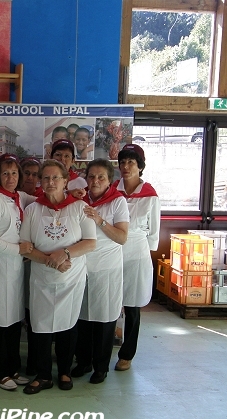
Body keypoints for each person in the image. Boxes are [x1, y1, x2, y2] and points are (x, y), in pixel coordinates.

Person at [19, 160, 96, 394]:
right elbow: (24, 246)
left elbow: (90, 242)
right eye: (46, 178)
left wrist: (64, 254)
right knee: (41, 325)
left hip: (71, 277)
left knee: (68, 324)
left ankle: (64, 371)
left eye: (56, 178)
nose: (50, 182)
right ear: (40, 182)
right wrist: (50, 261)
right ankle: (43, 375)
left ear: (65, 181)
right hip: (42, 275)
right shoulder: (33, 210)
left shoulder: (79, 207)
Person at [0, 153, 35, 391]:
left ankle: (13, 368)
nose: (10, 177)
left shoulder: (19, 197)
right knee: (0, 317)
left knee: (13, 317)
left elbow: (44, 200)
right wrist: (18, 249)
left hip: (14, 266)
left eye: (14, 173)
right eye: (5, 173)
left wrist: (71, 195)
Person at [72, 159, 129, 384]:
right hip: (82, 267)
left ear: (109, 181)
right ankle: (83, 361)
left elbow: (122, 237)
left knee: (104, 319)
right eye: (91, 176)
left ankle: (101, 366)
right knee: (82, 317)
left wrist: (100, 220)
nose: (95, 181)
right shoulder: (79, 199)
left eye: (101, 177)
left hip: (106, 269)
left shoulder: (117, 202)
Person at [114, 144, 160, 372]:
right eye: (122, 162)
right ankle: (101, 347)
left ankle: (127, 354)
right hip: (112, 251)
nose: (126, 167)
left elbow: (154, 233)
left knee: (132, 305)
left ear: (140, 166)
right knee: (107, 301)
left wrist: (144, 254)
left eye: (131, 162)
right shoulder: (112, 190)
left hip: (137, 254)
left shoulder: (150, 195)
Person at [19, 156, 42, 375]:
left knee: (33, 311)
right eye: (27, 173)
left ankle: (35, 360)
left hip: (36, 263)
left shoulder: (41, 199)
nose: (31, 178)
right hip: (13, 262)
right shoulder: (15, 198)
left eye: (36, 174)